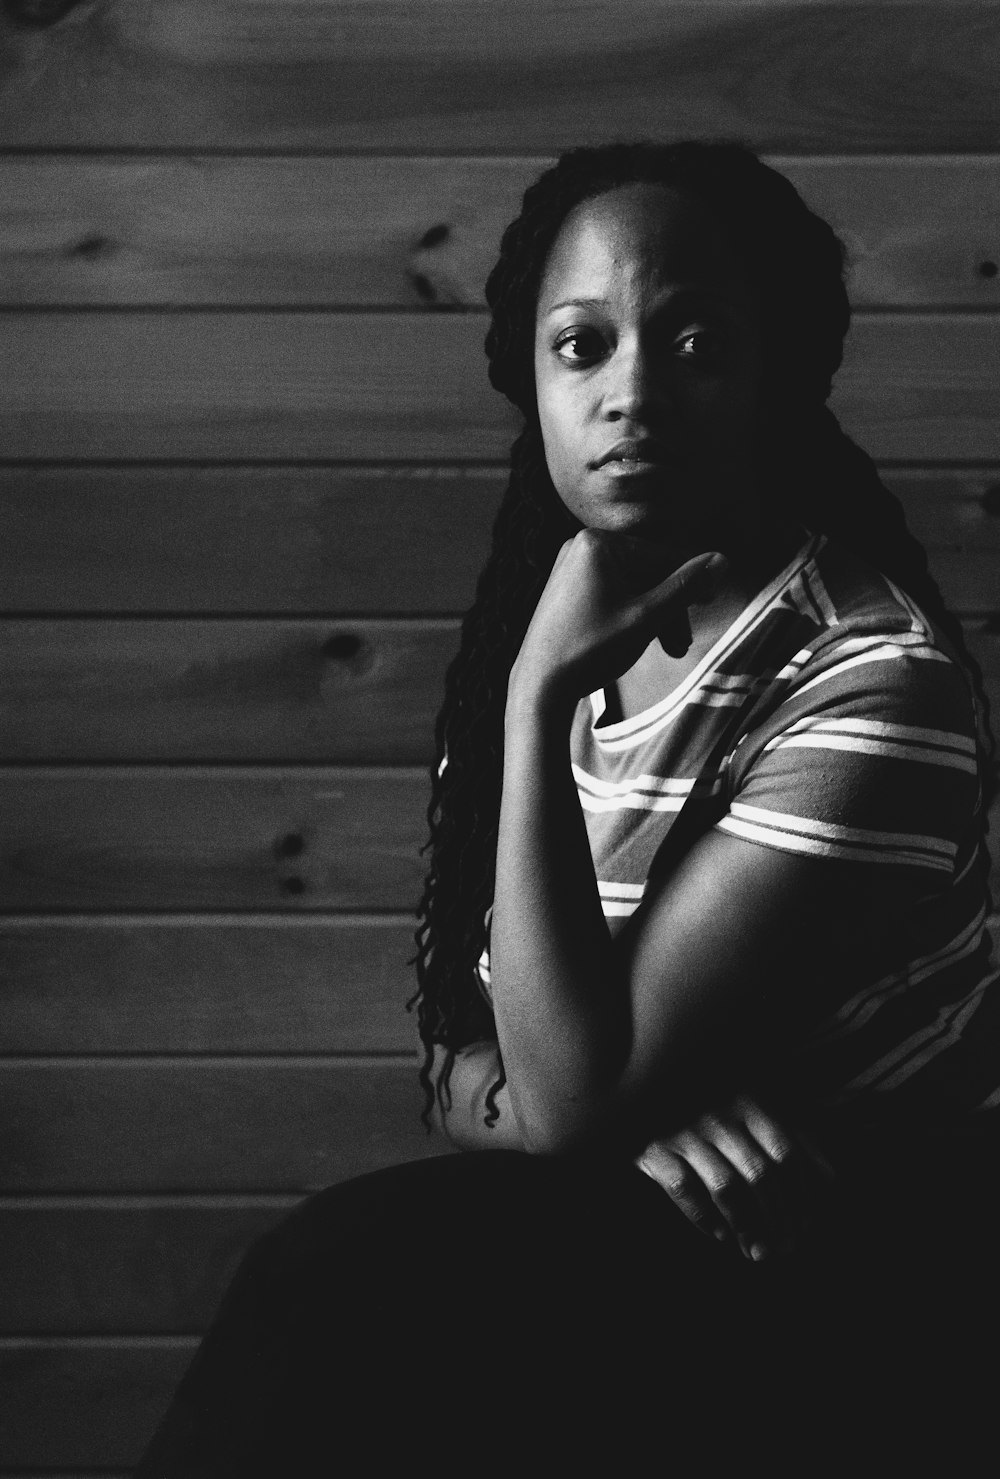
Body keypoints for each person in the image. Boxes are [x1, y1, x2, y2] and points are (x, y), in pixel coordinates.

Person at [136, 141, 998, 1475]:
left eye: (696, 341)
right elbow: (468, 1068)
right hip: (634, 1224)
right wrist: (588, 1111)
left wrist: (536, 718)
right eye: (582, 346)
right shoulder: (546, 633)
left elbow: (563, 1105)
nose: (630, 396)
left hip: (848, 1265)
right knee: (350, 1302)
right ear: (530, 381)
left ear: (778, 376)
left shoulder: (870, 688)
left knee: (336, 1288)